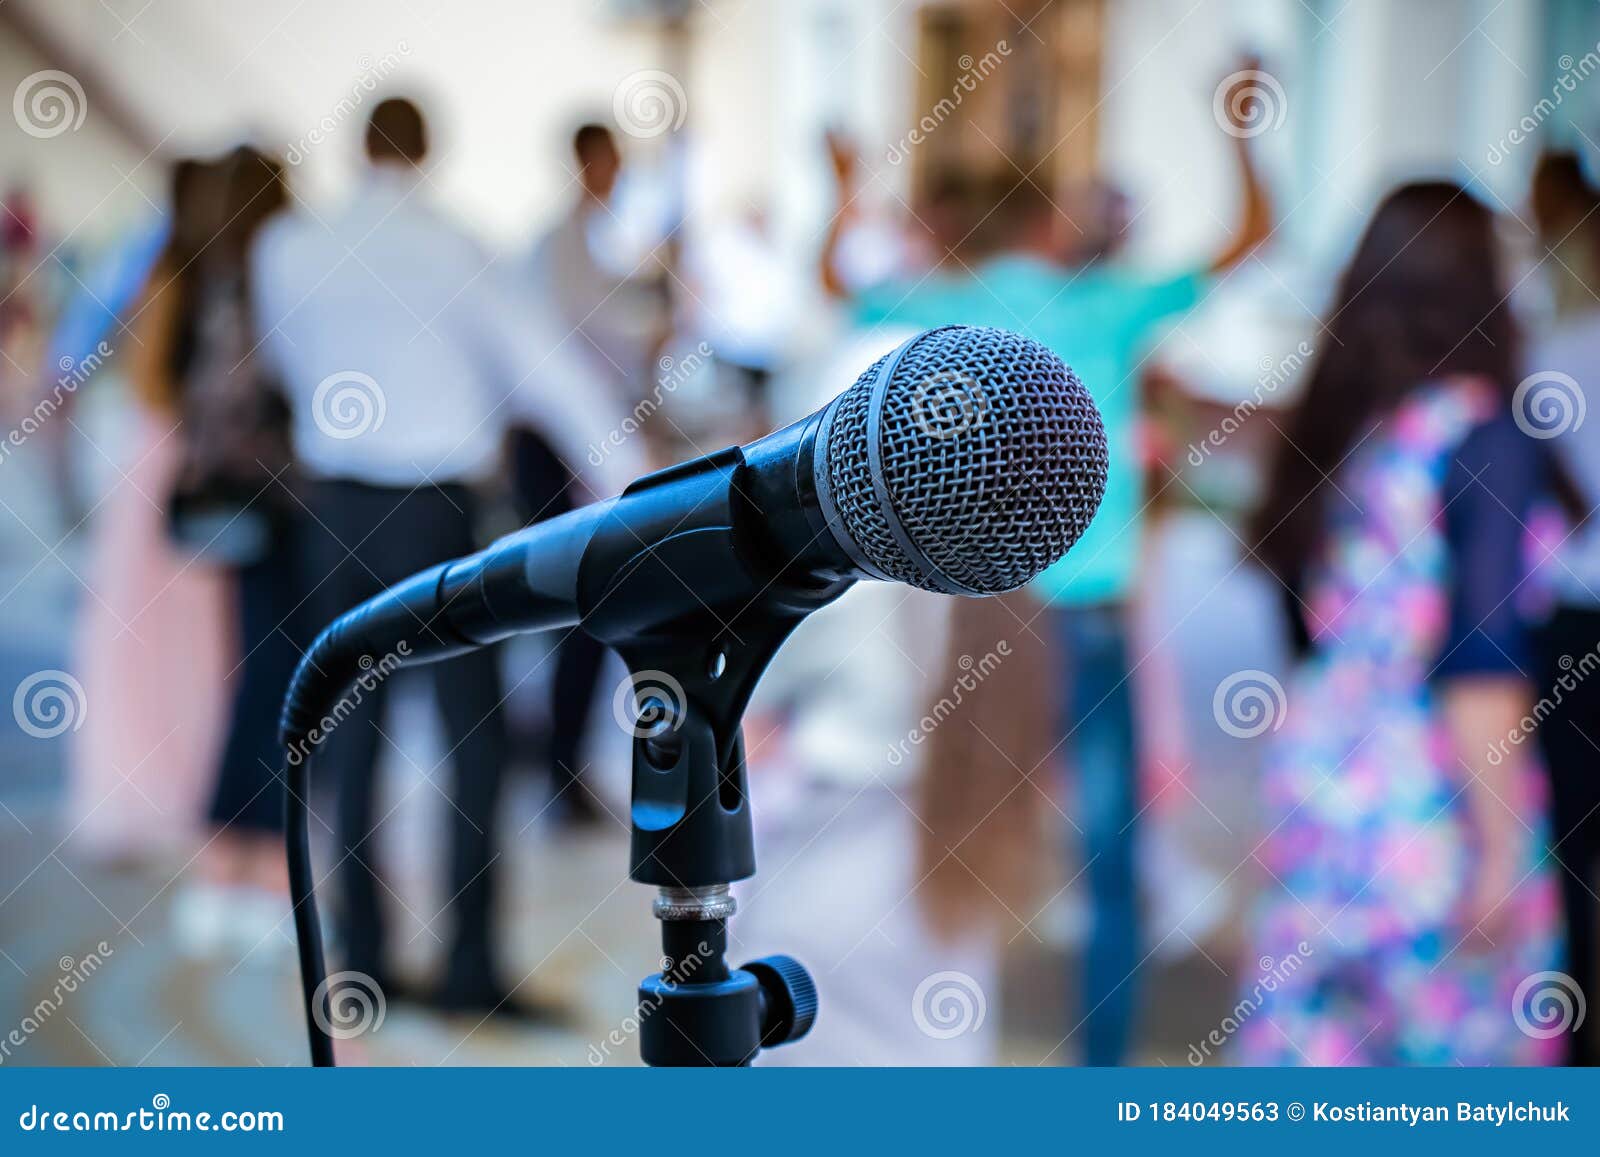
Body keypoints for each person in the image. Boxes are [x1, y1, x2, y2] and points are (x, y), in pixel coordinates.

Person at [838, 63, 1271, 1065]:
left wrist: (844, 182)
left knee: (960, 835)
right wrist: (1241, 133)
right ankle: (1099, 1067)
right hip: (1089, 614)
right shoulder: (1108, 302)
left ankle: (947, 1036)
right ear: (1049, 222)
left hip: (986, 610)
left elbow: (838, 291)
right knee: (1108, 855)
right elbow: (1253, 241)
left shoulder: (946, 300)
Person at [251, 97, 629, 1014]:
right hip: (437, 515)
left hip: (334, 508)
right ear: (426, 151)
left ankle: (364, 959)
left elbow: (285, 359)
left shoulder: (289, 246)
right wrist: (635, 489)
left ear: (360, 146)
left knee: (349, 741)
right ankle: (468, 969)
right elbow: (550, 376)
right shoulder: (460, 247)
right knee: (475, 743)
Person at [1239, 182, 1569, 1065]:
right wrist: (1499, 849)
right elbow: (1482, 657)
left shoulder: (1347, 435)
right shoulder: (1485, 438)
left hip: (1323, 799)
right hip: (1435, 812)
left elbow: (1311, 635)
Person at [67, 158, 237, 862]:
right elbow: (144, 381)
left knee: (189, 639)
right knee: (143, 633)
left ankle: (185, 783)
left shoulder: (198, 273)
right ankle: (141, 791)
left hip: (172, 455)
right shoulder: (168, 273)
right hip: (163, 458)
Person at [163, 145, 301, 956]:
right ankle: (240, 869)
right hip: (278, 505)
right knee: (275, 684)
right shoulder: (263, 281)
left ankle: (232, 871)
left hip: (250, 504)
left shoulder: (216, 276)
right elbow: (247, 390)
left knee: (263, 677)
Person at [1522, 193, 1600, 1068]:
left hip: (1570, 627)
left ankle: (1574, 1057)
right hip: (1568, 621)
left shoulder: (1545, 356)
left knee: (1569, 853)